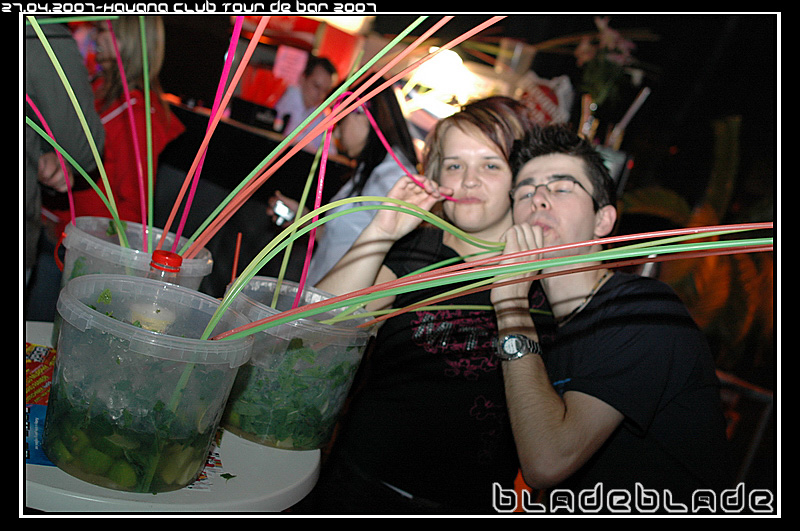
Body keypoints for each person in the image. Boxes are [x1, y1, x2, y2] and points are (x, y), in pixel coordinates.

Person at [297, 96, 543, 514]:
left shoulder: (541, 277)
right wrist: (382, 230)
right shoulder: (416, 250)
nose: (468, 181)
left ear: (520, 178)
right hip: (361, 483)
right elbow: (315, 331)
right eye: (454, 165)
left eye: (490, 165)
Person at [490, 124, 733, 512]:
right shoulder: (545, 326)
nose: (538, 199)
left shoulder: (644, 310)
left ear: (602, 222)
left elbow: (548, 462)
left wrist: (510, 307)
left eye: (561, 187)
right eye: (524, 191)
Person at [266, 78, 419, 287]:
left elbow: (381, 258)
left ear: (362, 114)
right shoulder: (370, 169)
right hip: (321, 289)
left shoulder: (395, 177)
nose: (336, 132)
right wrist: (302, 220)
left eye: (341, 120)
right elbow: (342, 241)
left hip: (341, 297)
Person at [61, 16, 185, 226]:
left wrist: (93, 240)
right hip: (59, 224)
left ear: (128, 39)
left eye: (102, 30)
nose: (95, 37)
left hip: (83, 235)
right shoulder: (96, 87)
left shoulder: (136, 118)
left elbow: (134, 208)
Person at [25, 17, 105, 307]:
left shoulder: (131, 105)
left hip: (76, 231)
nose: (95, 38)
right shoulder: (41, 33)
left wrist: (37, 151)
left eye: (101, 30)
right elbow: (83, 149)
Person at [273, 55, 338, 152]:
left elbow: (330, 151)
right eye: (316, 86)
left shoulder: (319, 113)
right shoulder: (285, 98)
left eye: (325, 91)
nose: (321, 95)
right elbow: (288, 138)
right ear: (302, 79)